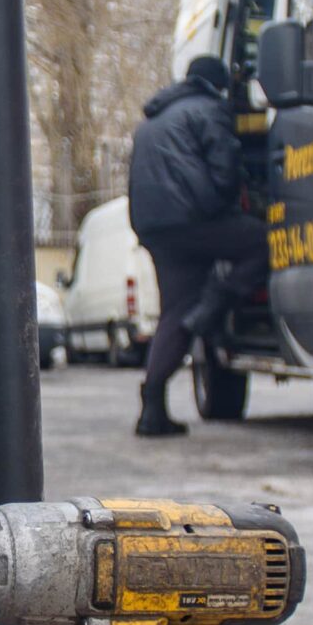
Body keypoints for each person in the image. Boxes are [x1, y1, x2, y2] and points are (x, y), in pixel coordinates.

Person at [126, 53, 269, 437]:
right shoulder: (209, 109)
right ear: (218, 84)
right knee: (260, 242)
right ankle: (211, 309)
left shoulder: (151, 120)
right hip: (194, 220)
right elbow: (225, 169)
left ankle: (152, 409)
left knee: (174, 314)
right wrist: (235, 203)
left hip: (155, 229)